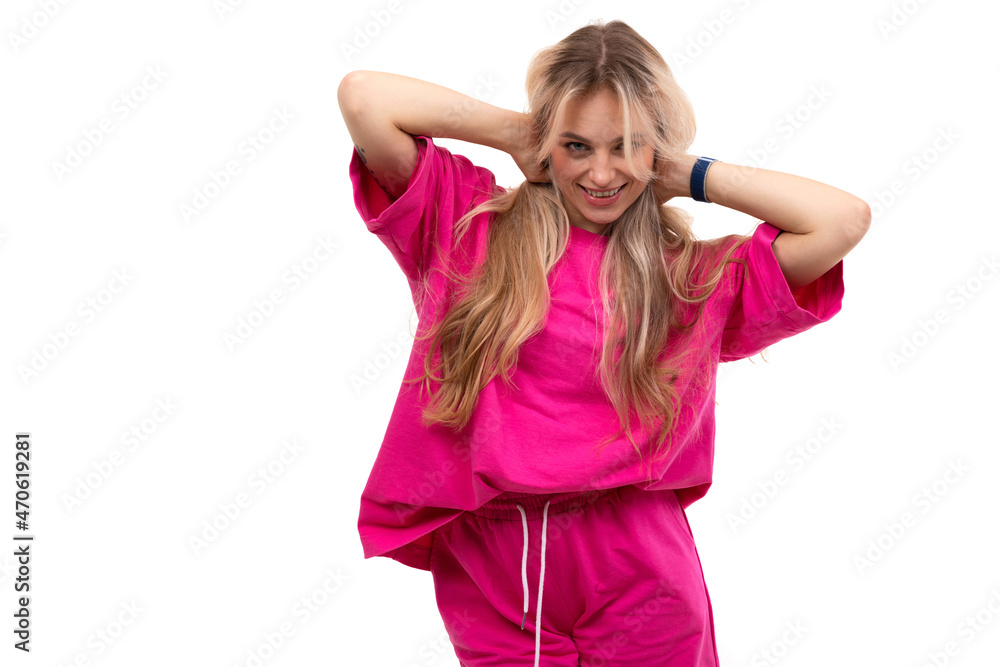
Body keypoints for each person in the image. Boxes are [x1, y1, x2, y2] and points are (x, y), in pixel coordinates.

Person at [338, 19, 869, 667]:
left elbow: (841, 220)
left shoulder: (690, 277)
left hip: (633, 557)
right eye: (576, 145)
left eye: (625, 146)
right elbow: (364, 97)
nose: (600, 172)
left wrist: (681, 170)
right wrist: (518, 131)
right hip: (491, 565)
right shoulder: (465, 222)